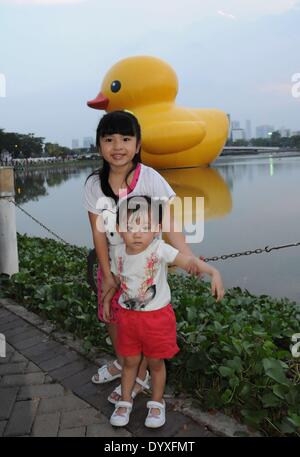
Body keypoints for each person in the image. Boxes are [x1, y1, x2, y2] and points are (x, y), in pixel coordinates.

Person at [84, 110, 205, 404]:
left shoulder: (151, 179)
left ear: (138, 145)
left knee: (142, 318)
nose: (118, 146)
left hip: (145, 268)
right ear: (99, 145)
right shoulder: (93, 184)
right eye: (109, 139)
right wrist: (107, 273)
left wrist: (188, 257)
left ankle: (140, 376)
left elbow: (170, 225)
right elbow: (98, 234)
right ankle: (126, 362)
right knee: (115, 318)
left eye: (126, 139)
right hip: (113, 264)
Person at [103, 196, 224, 428]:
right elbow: (119, 280)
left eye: (146, 227)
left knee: (156, 364)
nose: (138, 233)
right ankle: (125, 402)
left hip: (156, 319)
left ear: (157, 228)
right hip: (129, 319)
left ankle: (157, 405)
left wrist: (213, 272)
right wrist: (108, 300)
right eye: (131, 226)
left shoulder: (159, 249)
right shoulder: (118, 252)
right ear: (119, 228)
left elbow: (188, 260)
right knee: (129, 362)